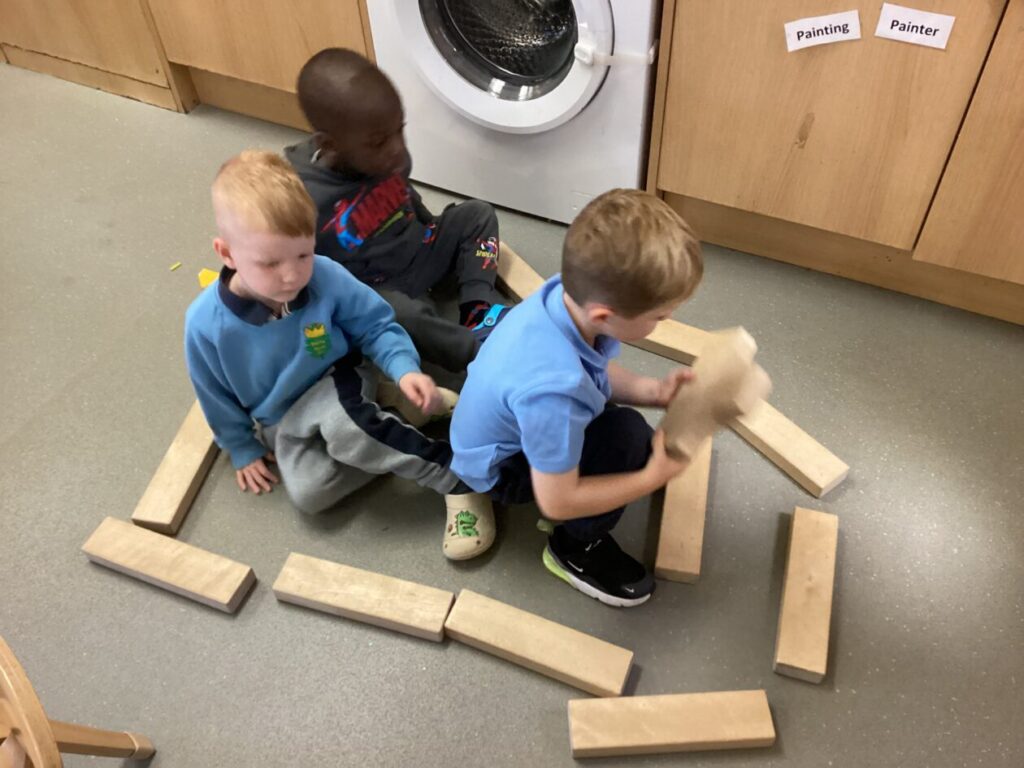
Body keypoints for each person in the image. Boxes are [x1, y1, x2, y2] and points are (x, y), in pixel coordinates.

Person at [184, 150, 494, 559]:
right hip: (282, 418)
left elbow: (376, 325)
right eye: (270, 263)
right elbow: (214, 395)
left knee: (347, 431)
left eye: (303, 254)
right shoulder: (204, 325)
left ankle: (457, 477)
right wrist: (241, 447)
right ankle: (392, 417)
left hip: (337, 376)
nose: (292, 275)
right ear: (226, 254)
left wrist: (403, 369)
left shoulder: (325, 275)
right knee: (310, 494)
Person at [450, 189, 704, 605]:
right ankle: (573, 548)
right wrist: (651, 477)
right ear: (605, 315)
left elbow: (591, 372)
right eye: (659, 316)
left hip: (501, 425)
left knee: (619, 426)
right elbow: (559, 500)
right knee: (629, 440)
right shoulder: (554, 390)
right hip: (502, 470)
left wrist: (654, 391)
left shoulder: (561, 299)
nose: (668, 318)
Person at [285, 47, 509, 375]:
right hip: (375, 289)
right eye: (379, 142)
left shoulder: (387, 156)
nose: (397, 149)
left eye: (400, 130)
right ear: (330, 145)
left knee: (478, 215)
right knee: (403, 315)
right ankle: (478, 355)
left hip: (418, 251)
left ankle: (477, 312)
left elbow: (408, 199)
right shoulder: (302, 197)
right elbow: (304, 276)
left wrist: (432, 227)